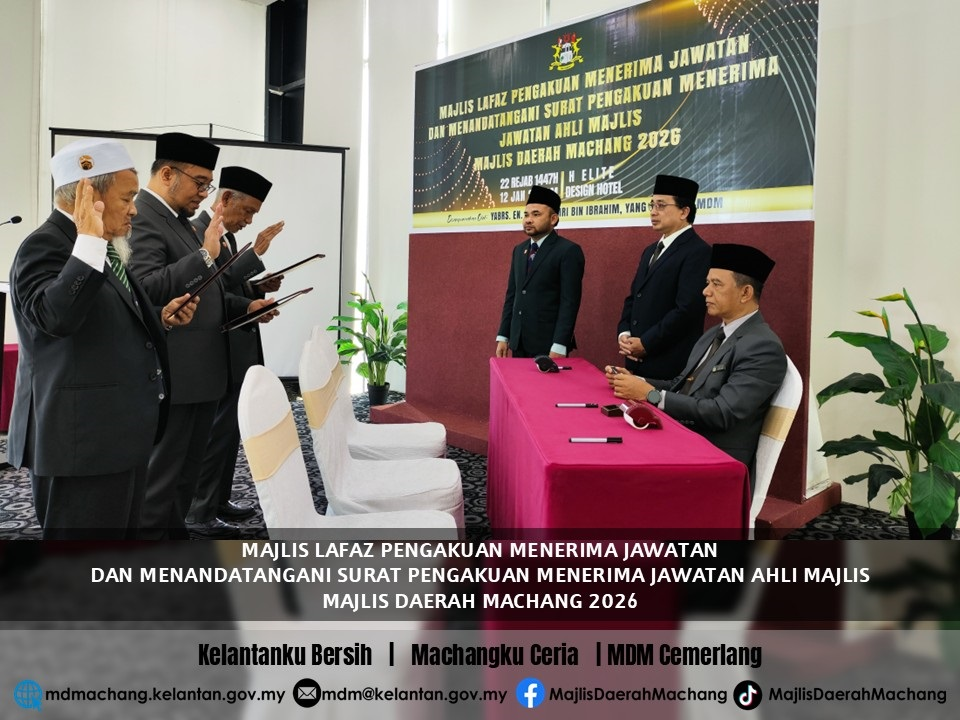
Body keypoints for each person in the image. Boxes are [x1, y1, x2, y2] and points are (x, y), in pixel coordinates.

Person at [8, 138, 198, 539]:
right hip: (81, 443)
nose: (134, 209)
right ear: (88, 194)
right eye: (127, 198)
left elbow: (103, 320)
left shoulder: (101, 248)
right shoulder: (47, 245)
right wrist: (90, 242)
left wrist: (160, 318)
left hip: (117, 435)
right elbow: (53, 318)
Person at [128, 133, 278, 539]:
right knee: (162, 480)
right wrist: (205, 255)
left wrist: (244, 303)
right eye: (199, 182)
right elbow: (147, 288)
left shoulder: (178, 221)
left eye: (208, 185)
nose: (203, 193)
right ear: (166, 174)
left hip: (201, 373)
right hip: (177, 372)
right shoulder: (144, 216)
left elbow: (209, 291)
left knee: (184, 477)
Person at [606, 243, 786, 488]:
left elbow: (722, 413)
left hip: (715, 459)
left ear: (745, 293)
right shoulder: (712, 334)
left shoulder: (762, 346)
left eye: (716, 284)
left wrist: (650, 395)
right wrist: (637, 382)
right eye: (707, 282)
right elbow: (681, 385)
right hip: (685, 438)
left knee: (619, 470)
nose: (705, 291)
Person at [186, 166, 284, 529]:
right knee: (214, 437)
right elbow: (208, 289)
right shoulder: (196, 233)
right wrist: (254, 256)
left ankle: (218, 499)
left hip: (236, 351)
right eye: (247, 211)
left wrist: (257, 288)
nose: (249, 220)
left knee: (229, 434)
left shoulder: (226, 239)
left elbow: (228, 288)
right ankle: (200, 512)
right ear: (225, 199)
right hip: (216, 354)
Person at [616, 174, 711, 378]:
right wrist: (624, 334)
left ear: (684, 211)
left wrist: (646, 343)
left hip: (669, 362)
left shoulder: (698, 251)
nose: (653, 211)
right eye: (652, 205)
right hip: (635, 357)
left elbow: (687, 311)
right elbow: (634, 297)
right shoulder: (650, 250)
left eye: (661, 205)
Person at [495, 185, 584, 358]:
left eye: (536, 215)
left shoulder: (567, 251)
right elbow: (512, 296)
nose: (528, 220)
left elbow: (569, 302)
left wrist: (559, 345)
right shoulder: (519, 250)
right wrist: (503, 336)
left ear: (553, 219)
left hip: (548, 346)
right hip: (519, 342)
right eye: (526, 215)